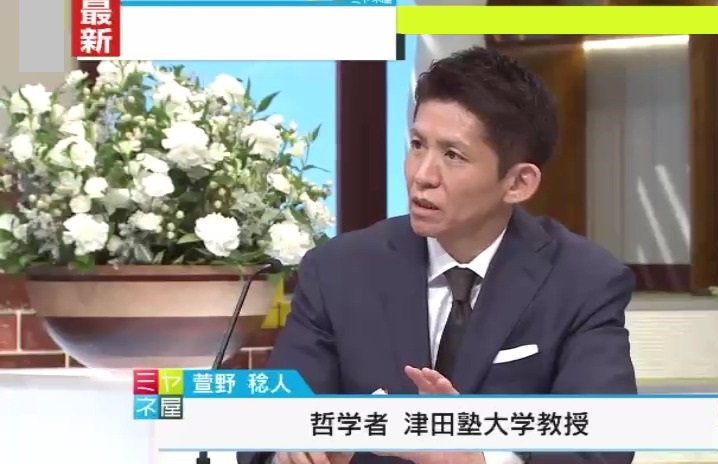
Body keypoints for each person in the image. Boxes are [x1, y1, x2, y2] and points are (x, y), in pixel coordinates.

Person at [238, 47, 637, 464]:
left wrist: (478, 460)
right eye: (417, 145)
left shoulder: (583, 280)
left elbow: (600, 448)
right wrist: (291, 451)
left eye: (452, 155)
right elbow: (266, 431)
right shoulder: (337, 269)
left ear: (518, 183)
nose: (422, 175)